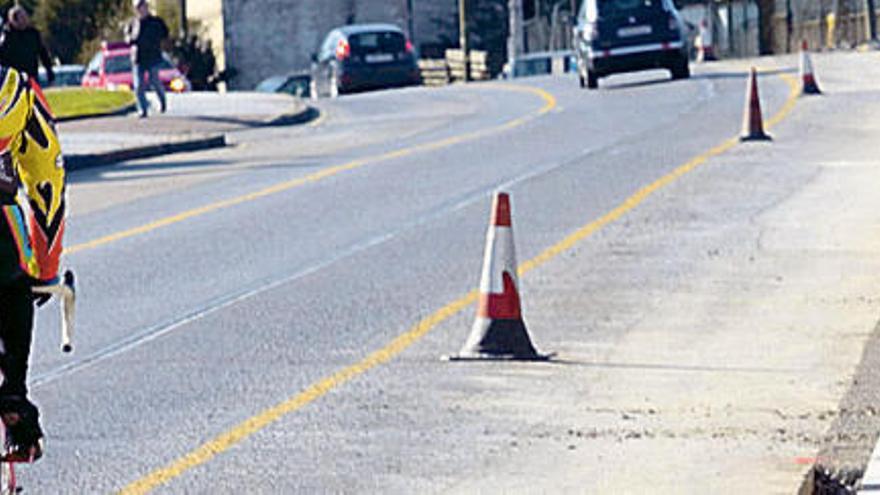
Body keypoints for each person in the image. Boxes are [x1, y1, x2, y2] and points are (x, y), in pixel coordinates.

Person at [0, 63, 66, 462]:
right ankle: (13, 400)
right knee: (14, 286)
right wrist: (46, 265)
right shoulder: (15, 89)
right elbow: (47, 179)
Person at [125, 0, 169, 117]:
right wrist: (132, 38)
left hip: (153, 57)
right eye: (138, 8)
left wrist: (155, 41)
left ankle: (162, 101)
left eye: (142, 7)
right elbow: (128, 38)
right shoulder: (133, 23)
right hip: (138, 58)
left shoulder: (156, 22)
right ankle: (143, 109)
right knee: (138, 85)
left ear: (147, 8)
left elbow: (165, 34)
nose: (141, 10)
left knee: (154, 81)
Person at [0, 6, 54, 85]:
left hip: (32, 77)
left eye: (25, 17)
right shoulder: (6, 36)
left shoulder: (33, 34)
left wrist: (50, 72)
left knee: (33, 97)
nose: (26, 20)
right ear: (13, 20)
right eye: (22, 18)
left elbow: (43, 54)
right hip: (12, 80)